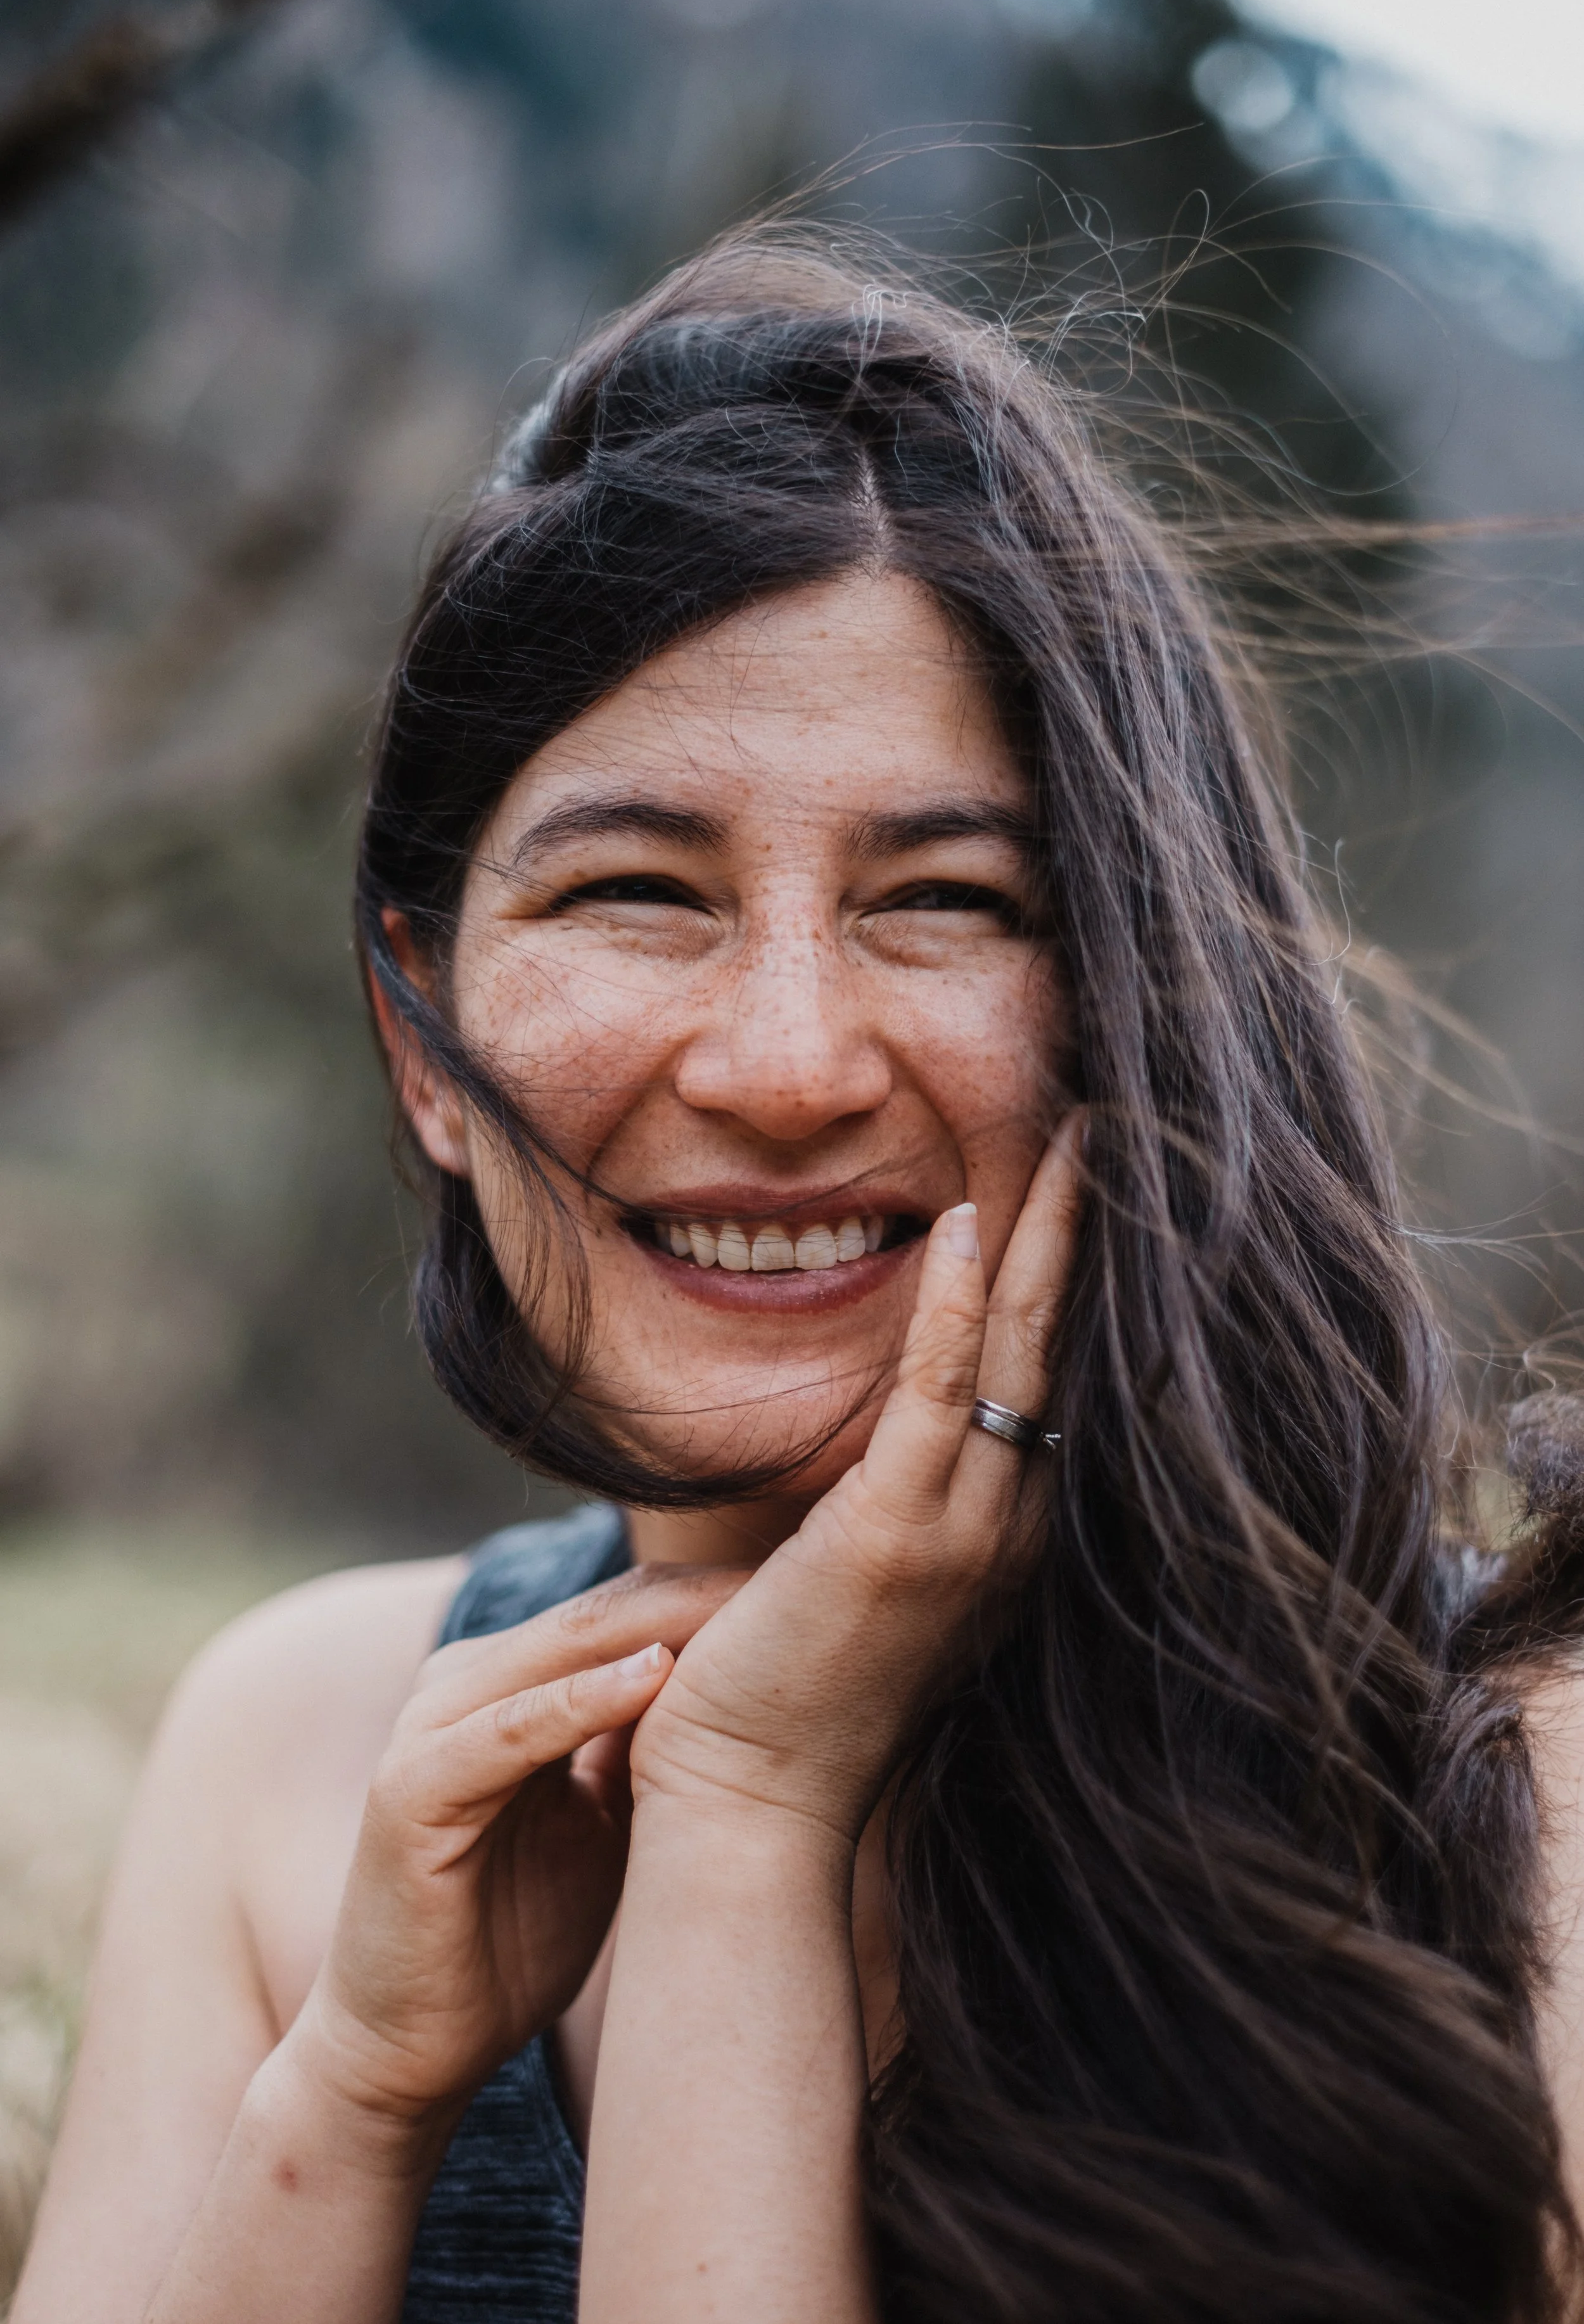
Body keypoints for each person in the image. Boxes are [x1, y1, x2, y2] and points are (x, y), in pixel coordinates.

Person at [15, 232, 1584, 2324]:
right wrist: (357, 2098)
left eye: (943, 898)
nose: (780, 1065)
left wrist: (746, 1812)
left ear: (1135, 1005)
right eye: (636, 888)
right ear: (424, 1046)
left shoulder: (1512, 1779)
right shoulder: (298, 1748)